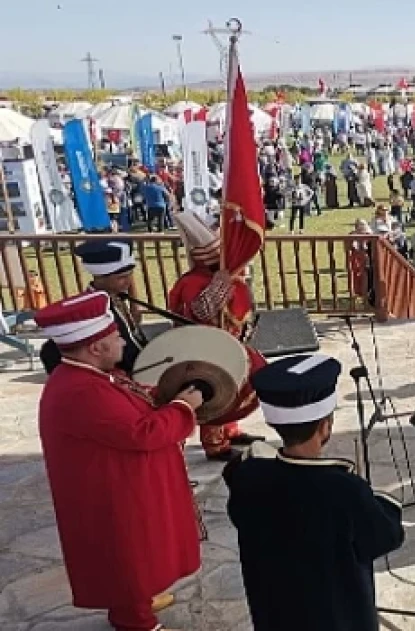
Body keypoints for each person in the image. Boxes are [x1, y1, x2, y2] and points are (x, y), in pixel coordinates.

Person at [37, 291, 204, 631]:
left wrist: (160, 393)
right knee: (126, 554)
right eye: (115, 338)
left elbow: (127, 400)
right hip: (108, 493)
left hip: (114, 483)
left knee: (135, 553)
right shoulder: (81, 390)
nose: (123, 344)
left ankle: (138, 600)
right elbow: (141, 433)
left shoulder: (89, 376)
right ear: (95, 348)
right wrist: (184, 408)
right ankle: (136, 621)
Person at [225, 353, 406, 631]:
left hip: (276, 617)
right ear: (326, 427)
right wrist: (380, 501)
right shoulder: (345, 490)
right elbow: (385, 537)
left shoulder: (246, 475)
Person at [167, 211, 266, 460]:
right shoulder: (191, 283)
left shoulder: (219, 275)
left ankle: (230, 430)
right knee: (215, 391)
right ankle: (215, 443)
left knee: (241, 384)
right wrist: (221, 283)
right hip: (204, 351)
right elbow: (202, 310)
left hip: (229, 344)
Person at [40, 241, 148, 375]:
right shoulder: (94, 311)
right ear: (100, 278)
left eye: (130, 275)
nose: (128, 282)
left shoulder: (116, 297)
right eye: (122, 277)